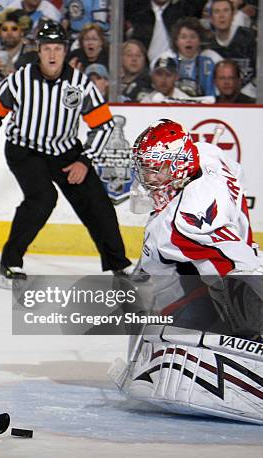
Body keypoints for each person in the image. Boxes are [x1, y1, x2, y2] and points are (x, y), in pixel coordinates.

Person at [113, 119, 263, 424]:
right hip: (244, 262)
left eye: (157, 169)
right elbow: (238, 173)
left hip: (241, 278)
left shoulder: (173, 225)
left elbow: (152, 283)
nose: (149, 178)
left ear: (179, 166)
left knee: (148, 297)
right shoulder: (209, 155)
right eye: (145, 168)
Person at [0, 21, 131, 288]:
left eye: (57, 48)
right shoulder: (20, 80)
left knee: (97, 203)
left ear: (65, 51)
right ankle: (10, 263)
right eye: (47, 48)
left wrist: (84, 160)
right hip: (25, 149)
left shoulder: (80, 84)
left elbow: (104, 125)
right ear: (38, 50)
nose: (52, 55)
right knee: (43, 198)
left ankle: (120, 266)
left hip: (65, 151)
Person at [154, 17, 221, 98]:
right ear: (176, 41)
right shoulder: (167, 59)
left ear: (199, 40)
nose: (188, 41)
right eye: (183, 37)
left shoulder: (211, 59)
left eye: (193, 37)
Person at [208, 0, 257, 99]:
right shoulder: (207, 46)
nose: (222, 16)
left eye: (226, 10)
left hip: (250, 98)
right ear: (211, 19)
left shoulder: (250, 38)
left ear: (233, 15)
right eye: (217, 12)